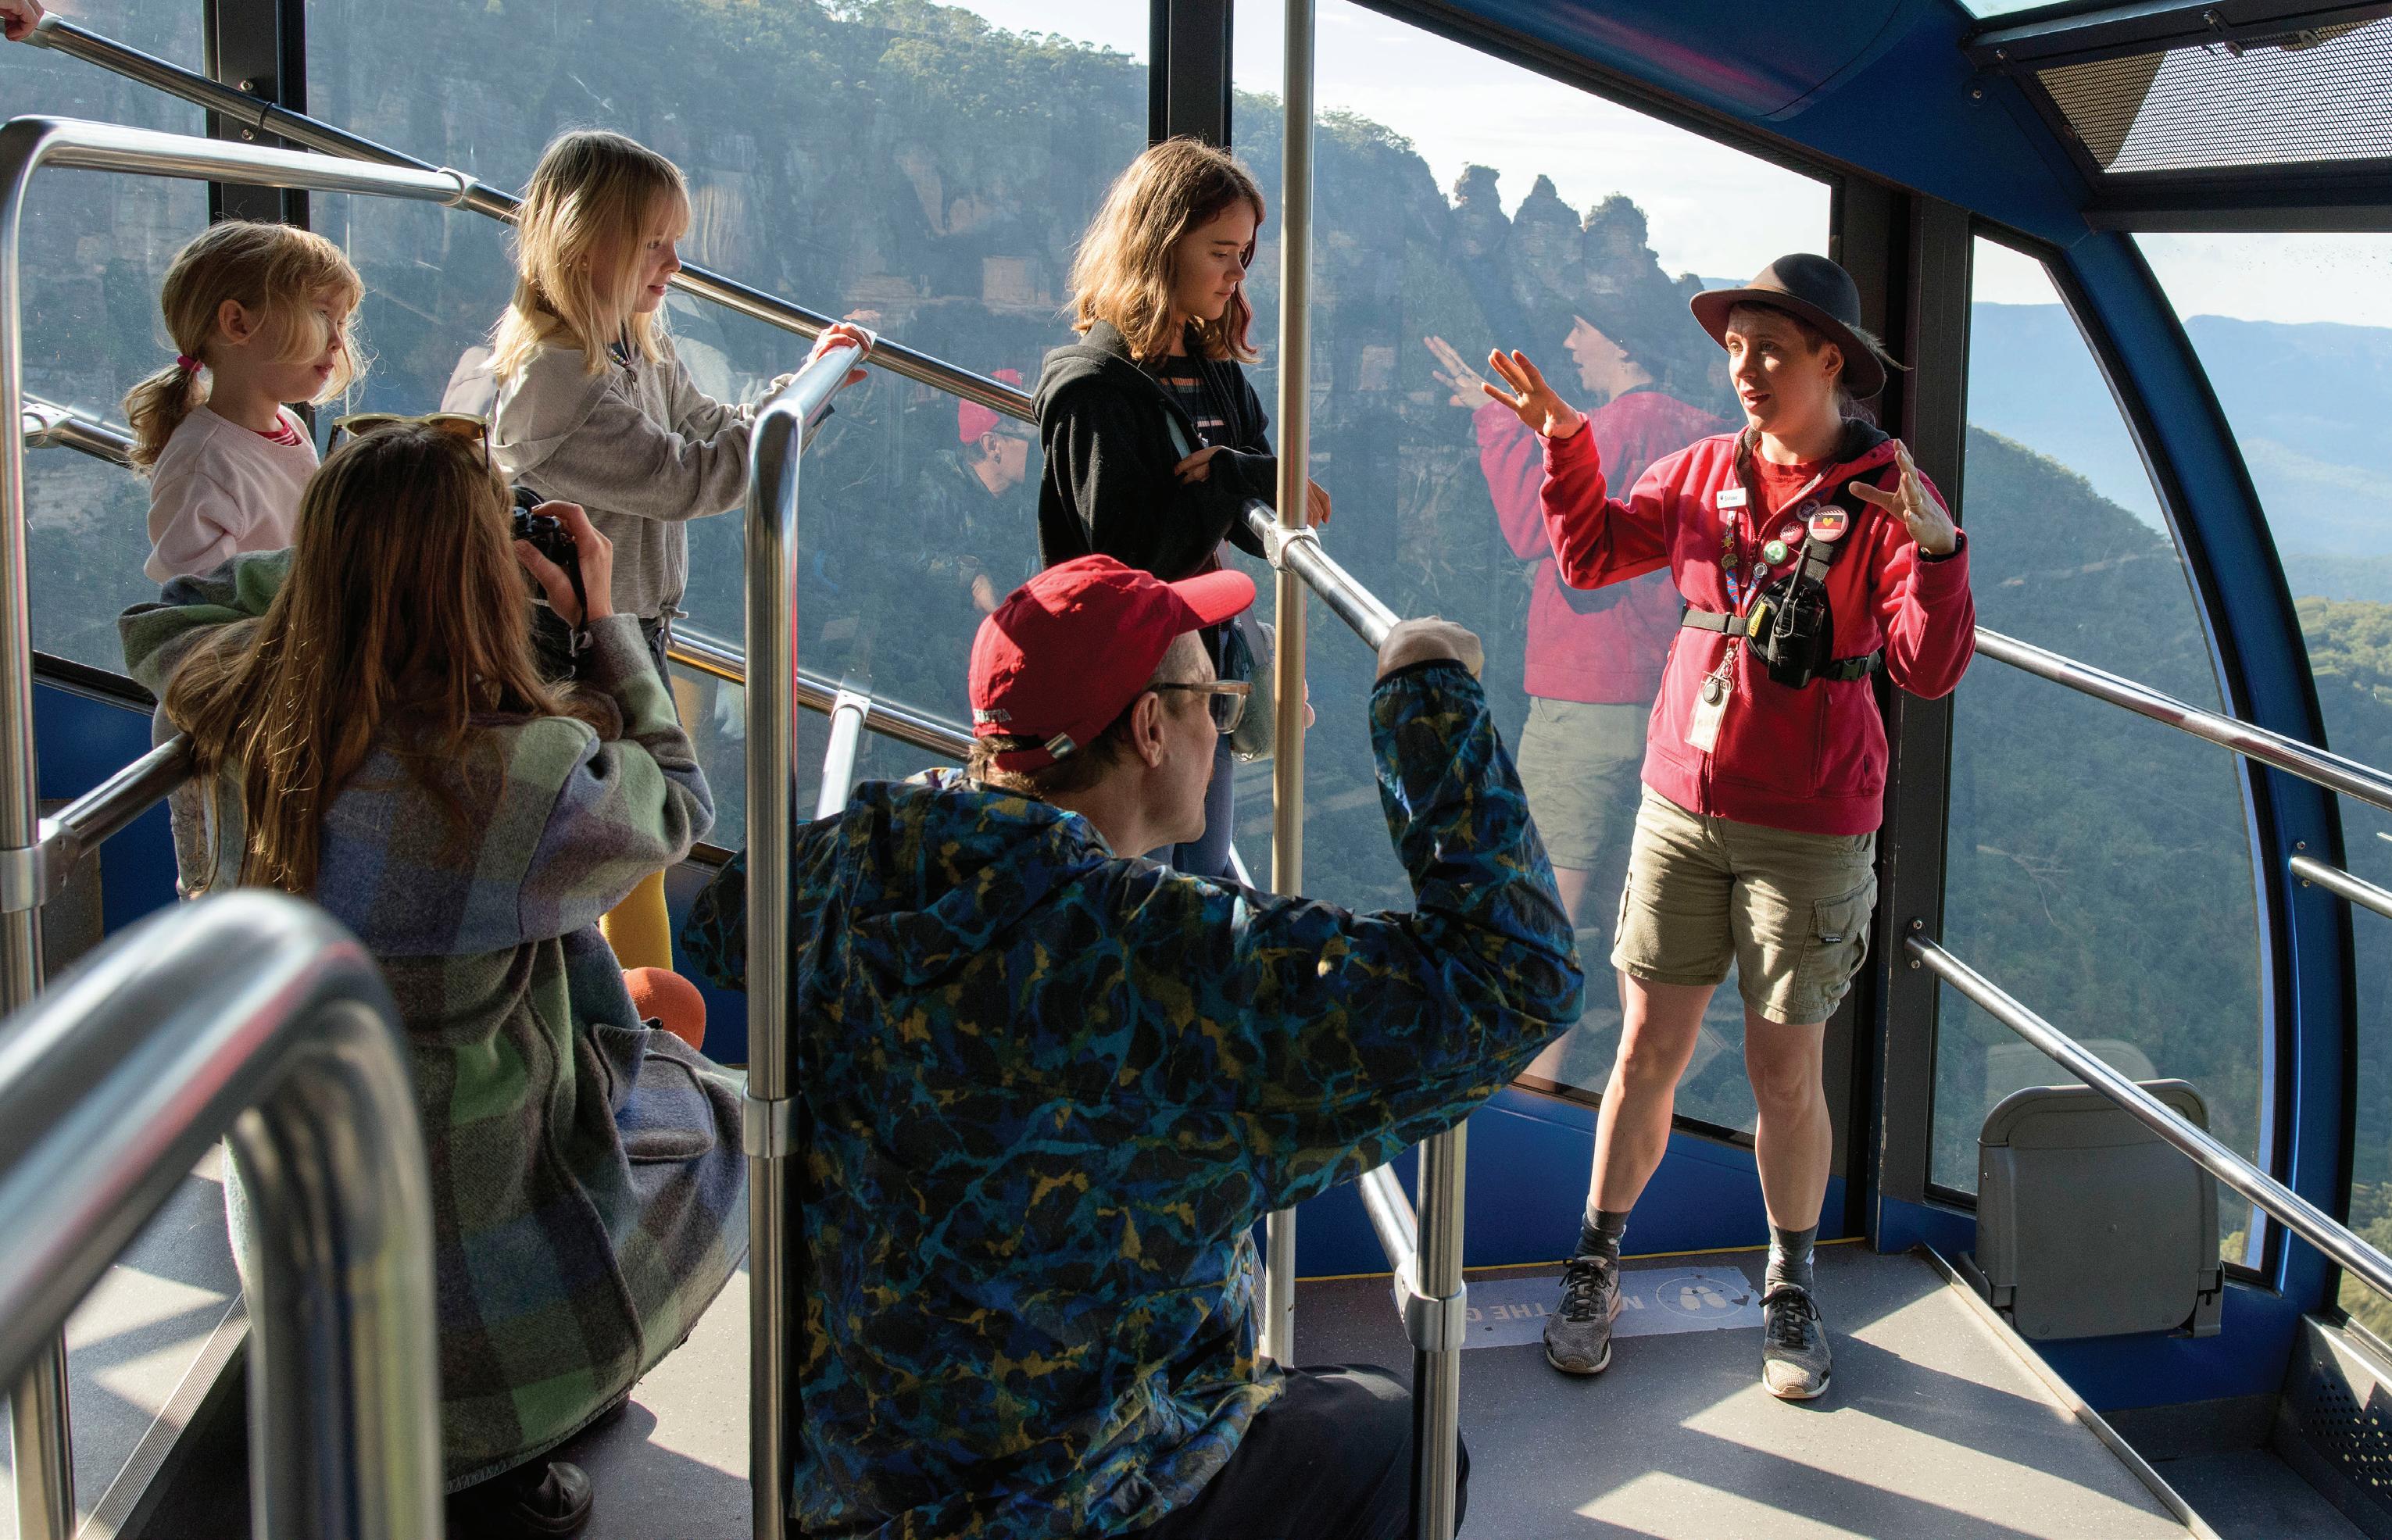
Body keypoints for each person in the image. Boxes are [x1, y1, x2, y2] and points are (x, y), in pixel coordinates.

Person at [678, 556, 1582, 1538]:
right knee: (1403, 1436)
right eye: (1214, 703)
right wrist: (1426, 696)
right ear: (1151, 728)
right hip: (1066, 1505)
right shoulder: (1159, 960)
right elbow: (1518, 978)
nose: (1220, 729)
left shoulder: (851, 864)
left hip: (853, 1489)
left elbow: (721, 923)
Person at [120, 422, 745, 1538]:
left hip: (302, 1221)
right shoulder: (514, 779)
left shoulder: (237, 704)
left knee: (645, 1030)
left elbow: (165, 613)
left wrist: (354, 556)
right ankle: (517, 1429)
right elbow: (680, 802)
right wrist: (602, 618)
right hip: (475, 1289)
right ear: (478, 583)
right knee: (726, 1126)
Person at [1482, 254, 1974, 1399]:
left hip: (1809, 822)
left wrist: (1939, 554)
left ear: (1829, 361)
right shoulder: (1704, 471)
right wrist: (1567, 445)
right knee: (1644, 1048)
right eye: (1735, 349)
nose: (1745, 370)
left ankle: (1790, 1287)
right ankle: (1594, 1262)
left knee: (1781, 1071)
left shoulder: (1885, 494)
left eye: (1771, 351)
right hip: (1680, 805)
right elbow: (1591, 557)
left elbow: (1925, 667)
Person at [487, 127, 868, 968]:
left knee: (635, 842)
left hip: (626, 626)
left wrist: (802, 392)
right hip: (574, 640)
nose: (674, 263)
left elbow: (708, 425)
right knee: (632, 840)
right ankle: (634, 1015)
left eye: (674, 241)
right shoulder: (560, 384)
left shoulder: (633, 346)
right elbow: (692, 477)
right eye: (652, 243)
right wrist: (799, 406)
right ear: (585, 247)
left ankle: (633, 1012)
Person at [1032, 137, 1330, 880]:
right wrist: (1231, 481)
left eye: (1243, 254)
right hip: (1127, 686)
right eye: (1220, 253)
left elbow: (1258, 493)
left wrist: (1234, 472)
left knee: (1198, 858)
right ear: (1160, 250)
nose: (1237, 274)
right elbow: (1128, 562)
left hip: (1200, 662)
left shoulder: (1211, 368)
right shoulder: (1095, 390)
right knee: (1143, 875)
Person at [1426, 317, 1725, 938]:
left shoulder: (1615, 426)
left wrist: (1494, 422)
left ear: (1623, 339)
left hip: (1587, 692)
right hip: (1670, 698)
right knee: (1640, 912)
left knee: (1542, 899)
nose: (1567, 344)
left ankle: (1533, 1002)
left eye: (1580, 329)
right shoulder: (1702, 432)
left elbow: (1530, 525)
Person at [122, 220, 365, 581]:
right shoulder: (203, 465)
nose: (337, 341)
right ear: (237, 323)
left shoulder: (289, 425)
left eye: (341, 323)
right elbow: (197, 604)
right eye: (321, 314)